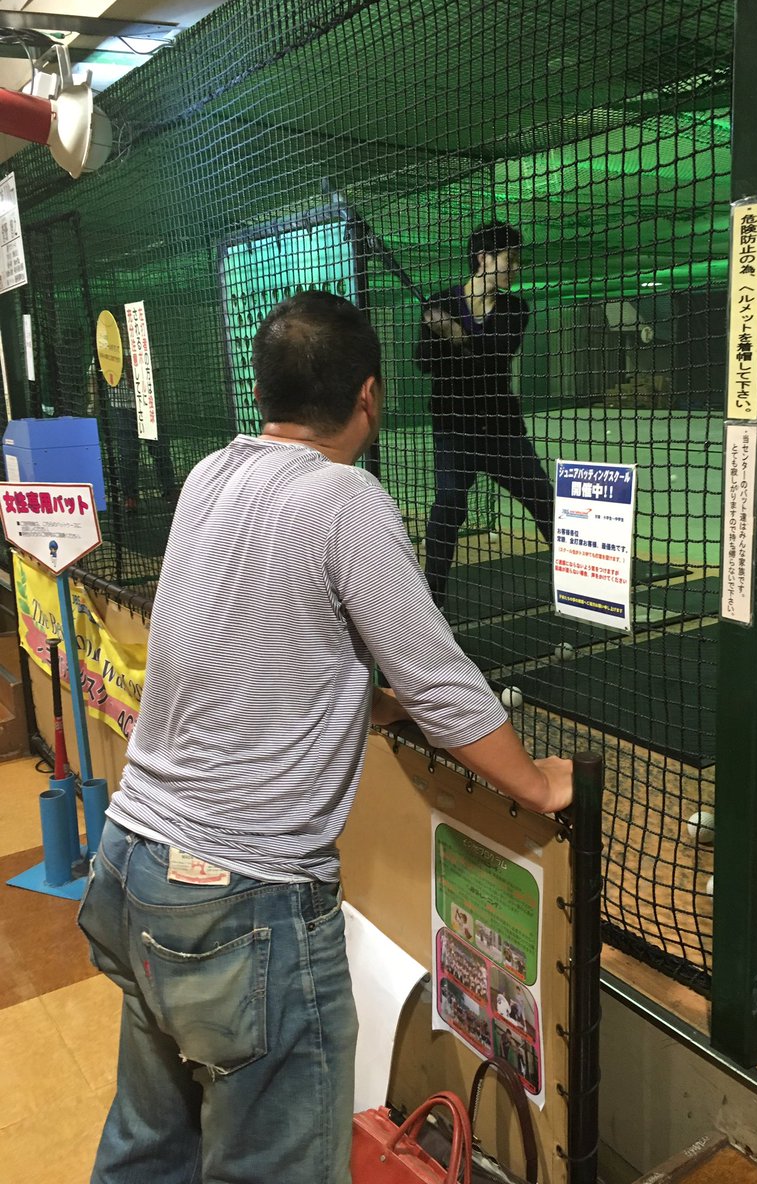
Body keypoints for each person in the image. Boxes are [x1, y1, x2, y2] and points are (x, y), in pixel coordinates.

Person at [77, 290, 572, 1184]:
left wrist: (366, 706)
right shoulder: (348, 498)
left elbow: (249, 655)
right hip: (241, 904)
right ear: (369, 397)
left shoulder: (209, 476)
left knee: (149, 1151)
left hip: (131, 866)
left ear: (261, 391)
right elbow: (439, 680)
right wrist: (537, 784)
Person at [415, 221, 555, 607]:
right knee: (450, 503)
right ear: (483, 259)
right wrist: (440, 337)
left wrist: (455, 336)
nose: (516, 267)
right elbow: (423, 362)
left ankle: (580, 582)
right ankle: (431, 599)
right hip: (455, 427)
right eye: (511, 259)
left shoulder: (515, 309)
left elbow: (496, 359)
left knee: (544, 500)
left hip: (501, 428)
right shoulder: (440, 302)